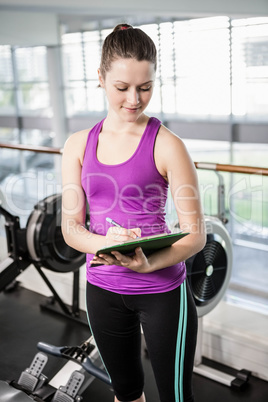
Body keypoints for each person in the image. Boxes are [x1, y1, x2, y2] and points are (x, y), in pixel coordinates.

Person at [61, 23, 206, 402]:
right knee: (126, 393)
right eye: (122, 87)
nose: (134, 99)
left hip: (161, 292)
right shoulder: (77, 145)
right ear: (100, 78)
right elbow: (72, 229)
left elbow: (196, 234)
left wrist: (147, 265)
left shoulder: (168, 145)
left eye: (145, 87)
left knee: (177, 397)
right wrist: (105, 242)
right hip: (103, 291)